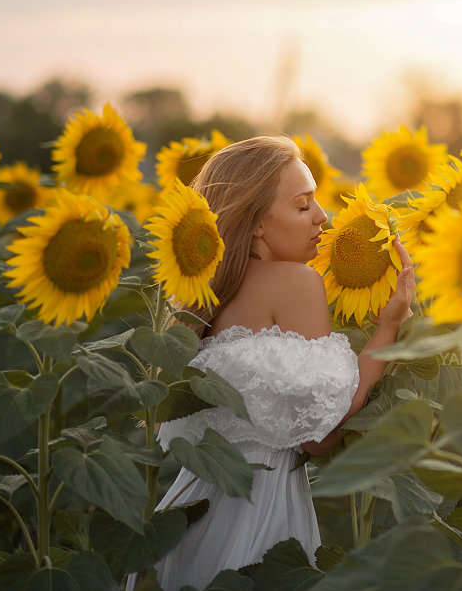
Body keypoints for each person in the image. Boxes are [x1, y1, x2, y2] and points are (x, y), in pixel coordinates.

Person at [127, 136, 414, 590]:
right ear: (258, 222)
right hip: (262, 515)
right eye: (303, 206)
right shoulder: (296, 282)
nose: (324, 217)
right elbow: (321, 436)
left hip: (189, 514)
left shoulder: (206, 298)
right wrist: (387, 331)